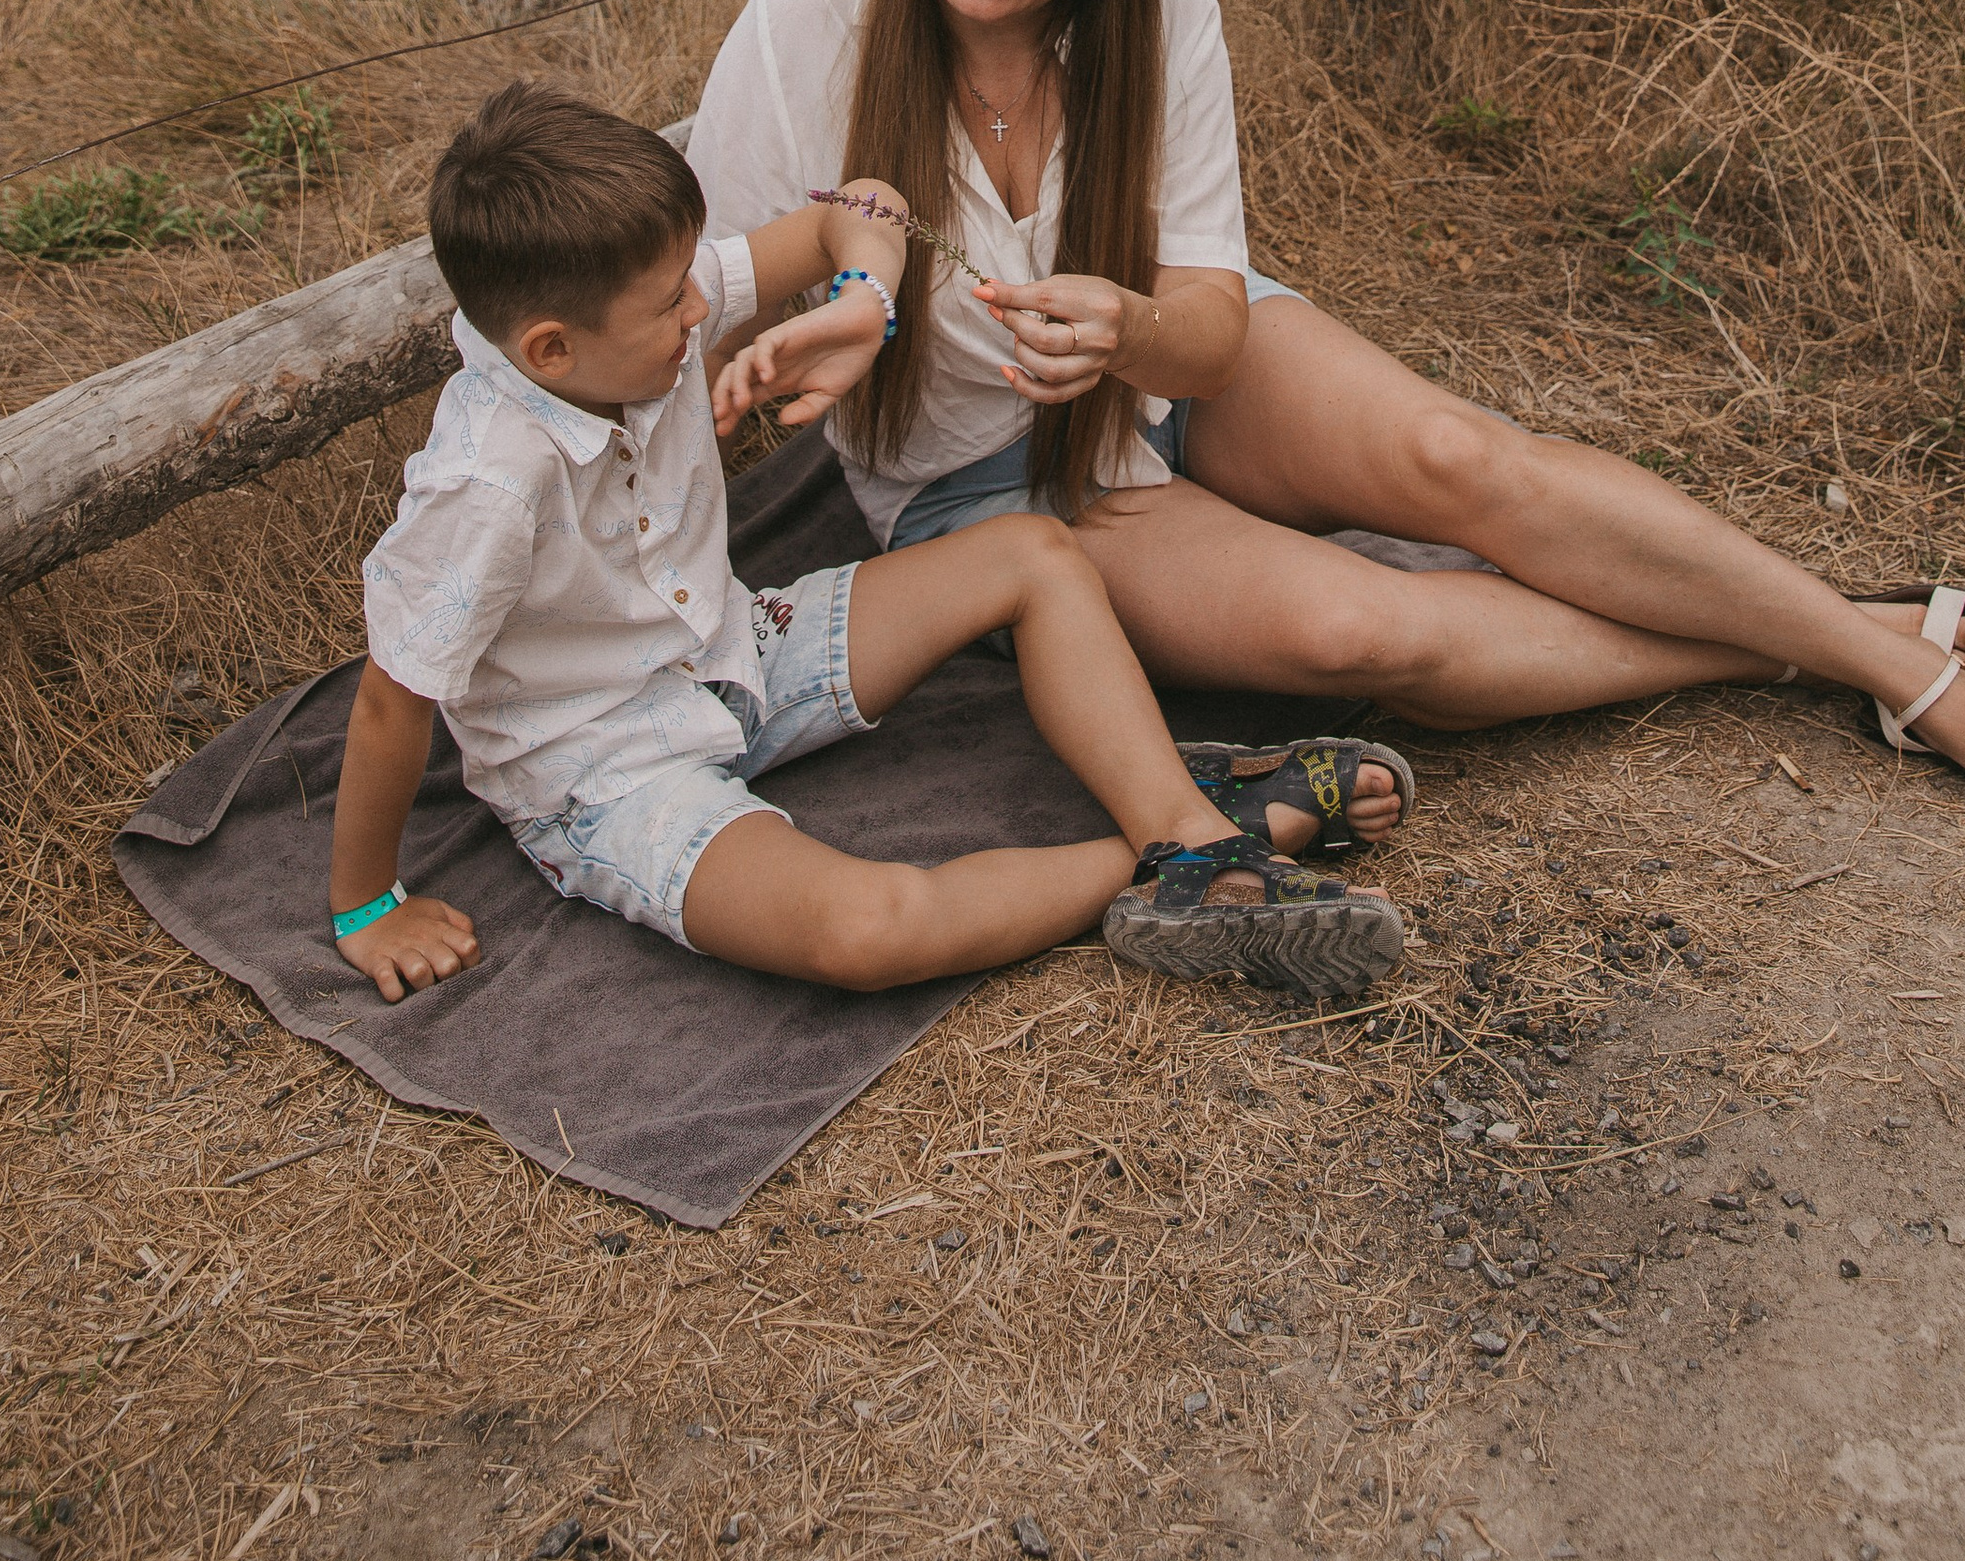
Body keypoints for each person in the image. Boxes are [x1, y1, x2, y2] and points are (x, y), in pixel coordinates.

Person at [692, 0, 1965, 883]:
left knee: (1467, 460)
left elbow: (1206, 329)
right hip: (983, 482)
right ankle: (1840, 640)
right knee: (1369, 637)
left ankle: (1938, 702)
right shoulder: (807, 21)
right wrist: (796, 351)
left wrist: (1129, 330)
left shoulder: (1167, 19)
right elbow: (712, 301)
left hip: (1168, 369)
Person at [324, 81, 1408, 1010]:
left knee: (1031, 553)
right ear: (551, 351)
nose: (703, 309)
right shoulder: (484, 485)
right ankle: (1196, 853)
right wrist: (368, 904)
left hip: (735, 651)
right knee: (867, 931)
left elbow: (862, 201)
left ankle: (1183, 823)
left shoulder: (621, 310)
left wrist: (861, 298)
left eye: (693, 280)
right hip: (604, 769)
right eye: (671, 304)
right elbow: (390, 699)